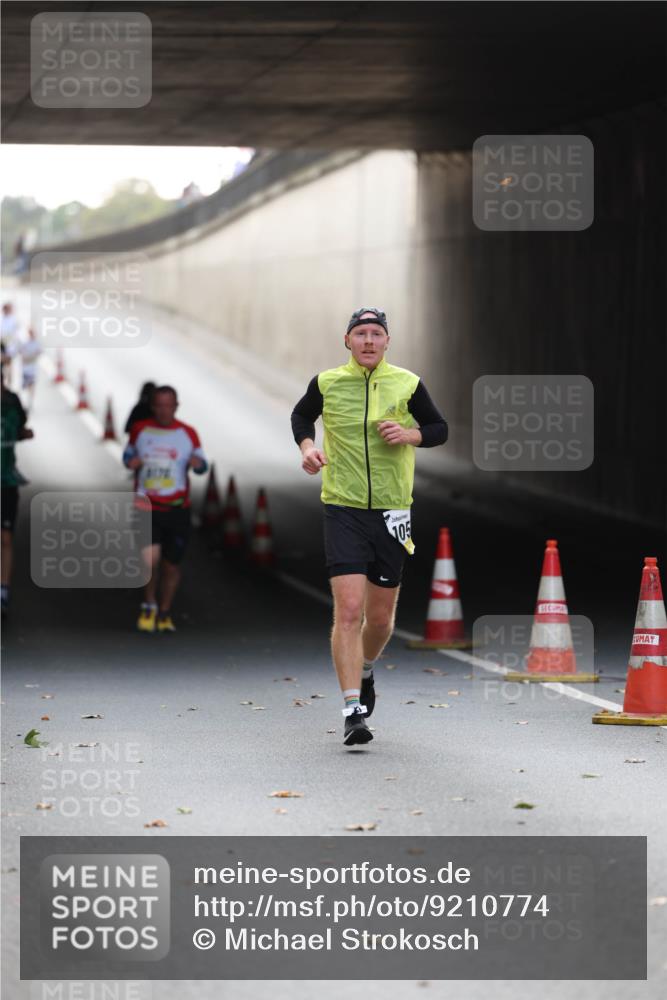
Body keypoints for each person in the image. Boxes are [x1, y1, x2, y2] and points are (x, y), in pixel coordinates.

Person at [291, 307, 447, 747]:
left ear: (386, 342)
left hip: (393, 510)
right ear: (347, 341)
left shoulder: (407, 382)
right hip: (342, 506)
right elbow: (301, 417)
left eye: (376, 334)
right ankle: (352, 709)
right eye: (360, 334)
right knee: (349, 611)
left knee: (379, 621)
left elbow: (439, 428)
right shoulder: (326, 382)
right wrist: (307, 447)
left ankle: (365, 668)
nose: (368, 341)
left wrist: (410, 435)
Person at [123, 385, 208, 633]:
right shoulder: (141, 430)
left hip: (177, 507)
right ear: (153, 406)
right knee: (149, 560)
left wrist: (198, 464)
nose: (163, 410)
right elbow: (127, 456)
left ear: (175, 406)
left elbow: (203, 465)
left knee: (171, 565)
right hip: (145, 506)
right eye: (158, 405)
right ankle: (149, 604)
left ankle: (165, 611)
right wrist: (132, 461)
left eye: (167, 405)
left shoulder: (188, 433)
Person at [1, 361, 34, 618]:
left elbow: (21, 428)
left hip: (7, 480)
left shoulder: (12, 403)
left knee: (6, 537)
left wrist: (24, 433)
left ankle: (3, 588)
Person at [20, 327, 42, 411]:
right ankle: (26, 401)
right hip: (26, 369)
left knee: (32, 385)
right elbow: (23, 356)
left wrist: (31, 357)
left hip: (33, 369)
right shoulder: (25, 343)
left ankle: (30, 402)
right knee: (26, 386)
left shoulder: (37, 343)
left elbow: (38, 353)